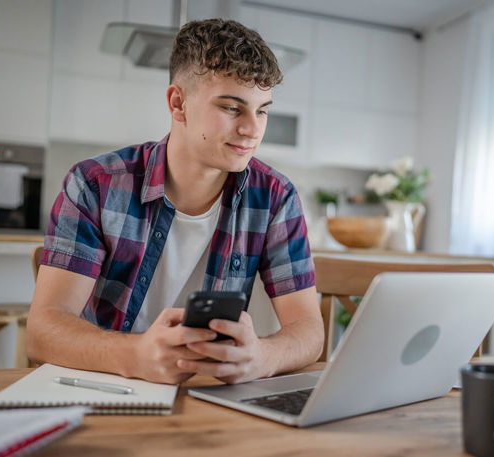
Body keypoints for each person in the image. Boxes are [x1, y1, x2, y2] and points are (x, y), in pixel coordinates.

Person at [26, 19, 324, 385]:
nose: (253, 129)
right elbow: (43, 330)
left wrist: (263, 357)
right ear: (178, 103)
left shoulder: (276, 198)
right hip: (105, 382)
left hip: (209, 396)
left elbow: (309, 330)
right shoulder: (94, 185)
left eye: (262, 110)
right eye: (232, 108)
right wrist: (135, 356)